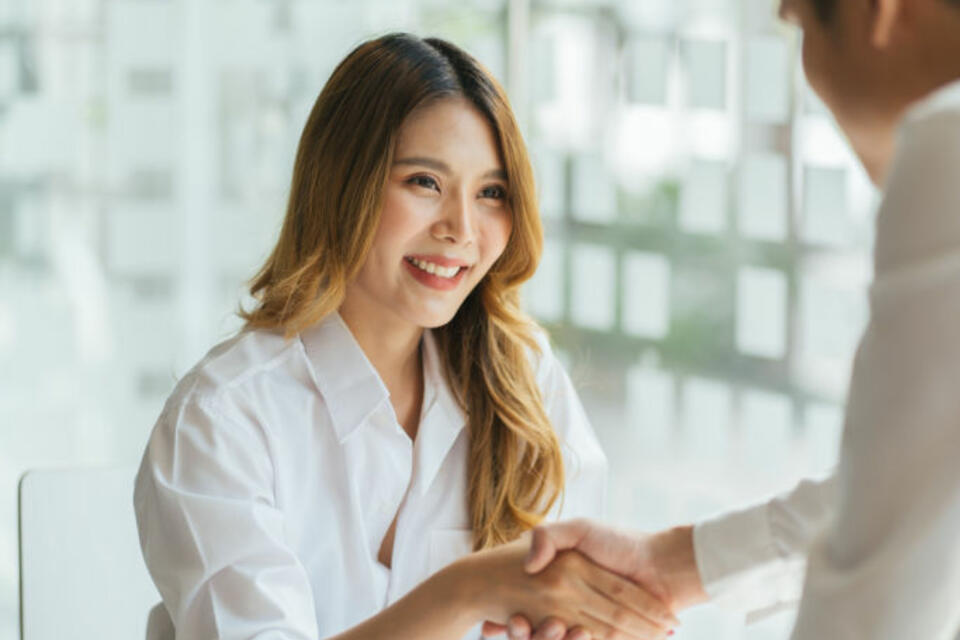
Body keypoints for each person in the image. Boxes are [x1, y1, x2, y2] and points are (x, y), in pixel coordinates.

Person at [133, 33, 678, 640]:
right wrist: (469, 589)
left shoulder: (523, 382)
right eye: (424, 182)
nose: (461, 229)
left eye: (491, 194)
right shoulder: (223, 420)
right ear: (344, 185)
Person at [489, 0, 960, 638]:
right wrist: (668, 564)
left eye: (796, 23)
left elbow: (880, 585)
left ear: (877, 12)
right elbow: (909, 486)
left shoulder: (946, 150)